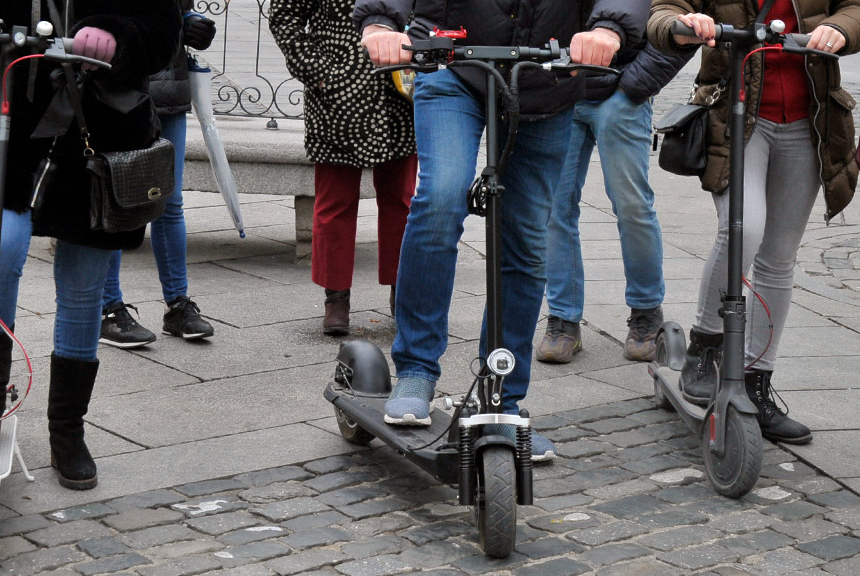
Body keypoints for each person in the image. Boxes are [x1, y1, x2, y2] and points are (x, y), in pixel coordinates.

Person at [354, 0, 648, 460]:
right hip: (452, 63)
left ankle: (502, 395)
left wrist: (610, 26)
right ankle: (416, 368)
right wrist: (379, 20)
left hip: (548, 77)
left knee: (529, 240)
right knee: (440, 200)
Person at [0, 0, 181, 488]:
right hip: (11, 129)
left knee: (83, 290)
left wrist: (112, 30)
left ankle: (68, 432)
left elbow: (163, 29)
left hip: (101, 142)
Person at [649, 0, 859, 445]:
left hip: (811, 120)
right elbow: (664, 12)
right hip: (740, 120)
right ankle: (705, 348)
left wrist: (841, 27)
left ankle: (755, 381)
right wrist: (684, 25)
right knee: (743, 231)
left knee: (780, 256)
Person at [536, 42, 692, 364]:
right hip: (561, 92)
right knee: (554, 209)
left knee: (632, 206)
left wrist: (634, 85)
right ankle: (563, 318)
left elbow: (669, 21)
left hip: (621, 92)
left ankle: (646, 312)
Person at [269, 0, 418, 336]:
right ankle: (335, 297)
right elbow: (284, 17)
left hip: (400, 86)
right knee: (335, 200)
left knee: (402, 200)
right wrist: (321, 74)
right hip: (336, 96)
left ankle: (402, 290)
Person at [99, 2, 216, 349]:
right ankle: (108, 308)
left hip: (168, 90)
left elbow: (179, 10)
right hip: (115, 88)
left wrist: (193, 23)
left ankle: (178, 305)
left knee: (169, 200)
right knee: (114, 198)